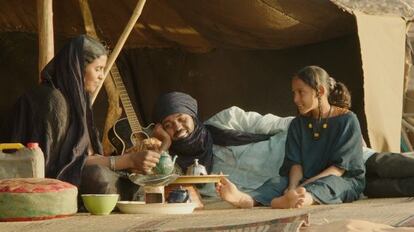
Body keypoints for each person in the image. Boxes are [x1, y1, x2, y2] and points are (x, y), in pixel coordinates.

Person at [1, 35, 160, 200]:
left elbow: (85, 158)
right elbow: (56, 167)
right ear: (77, 68)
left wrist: (128, 163)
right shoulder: (52, 100)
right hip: (41, 186)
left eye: (103, 70)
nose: (101, 77)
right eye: (97, 69)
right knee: (99, 177)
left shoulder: (79, 102)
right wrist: (126, 160)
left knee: (133, 181)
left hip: (74, 174)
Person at [270, 65, 365, 208]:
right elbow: (295, 164)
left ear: (320, 91)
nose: (295, 99)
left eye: (301, 92)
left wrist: (302, 187)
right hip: (305, 180)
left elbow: (338, 169)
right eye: (294, 93)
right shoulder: (297, 124)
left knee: (330, 184)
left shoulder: (348, 120)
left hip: (342, 180)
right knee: (276, 182)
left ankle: (304, 198)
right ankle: (247, 199)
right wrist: (292, 187)